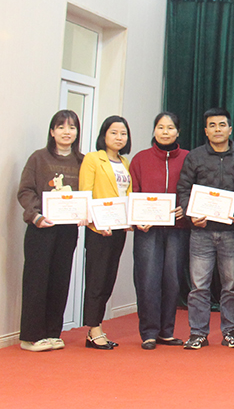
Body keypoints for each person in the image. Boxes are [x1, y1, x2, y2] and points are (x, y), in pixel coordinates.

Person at [177, 107, 234, 350]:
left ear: (230, 129)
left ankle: (231, 332)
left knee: (232, 286)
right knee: (198, 286)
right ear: (206, 131)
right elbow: (183, 189)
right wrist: (191, 214)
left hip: (232, 232)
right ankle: (198, 333)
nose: (218, 129)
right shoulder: (194, 157)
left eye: (222, 125)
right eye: (212, 125)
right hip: (201, 232)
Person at [18, 110, 84, 352]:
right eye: (61, 127)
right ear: (52, 131)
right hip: (41, 228)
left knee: (60, 280)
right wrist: (36, 216)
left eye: (72, 127)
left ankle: (52, 333)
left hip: (68, 230)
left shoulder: (83, 161)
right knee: (36, 280)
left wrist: (85, 213)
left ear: (77, 132)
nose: (67, 132)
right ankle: (30, 337)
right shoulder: (38, 158)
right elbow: (25, 191)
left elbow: (88, 193)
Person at [128, 112, 189, 350]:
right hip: (148, 229)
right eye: (160, 127)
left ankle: (166, 331)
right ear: (154, 130)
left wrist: (186, 208)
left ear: (178, 132)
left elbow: (194, 189)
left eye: (170, 128)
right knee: (147, 279)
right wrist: (136, 218)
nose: (165, 132)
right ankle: (149, 332)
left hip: (177, 228)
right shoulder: (140, 159)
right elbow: (132, 191)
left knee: (172, 280)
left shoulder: (188, 158)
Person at [78, 115, 132, 349]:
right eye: (114, 132)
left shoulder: (125, 162)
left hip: (119, 228)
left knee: (109, 277)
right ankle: (93, 329)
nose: (119, 137)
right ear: (104, 135)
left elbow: (127, 196)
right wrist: (97, 223)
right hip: (99, 230)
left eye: (123, 133)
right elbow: (86, 193)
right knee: (97, 278)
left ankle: (96, 325)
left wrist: (130, 219)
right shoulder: (93, 159)